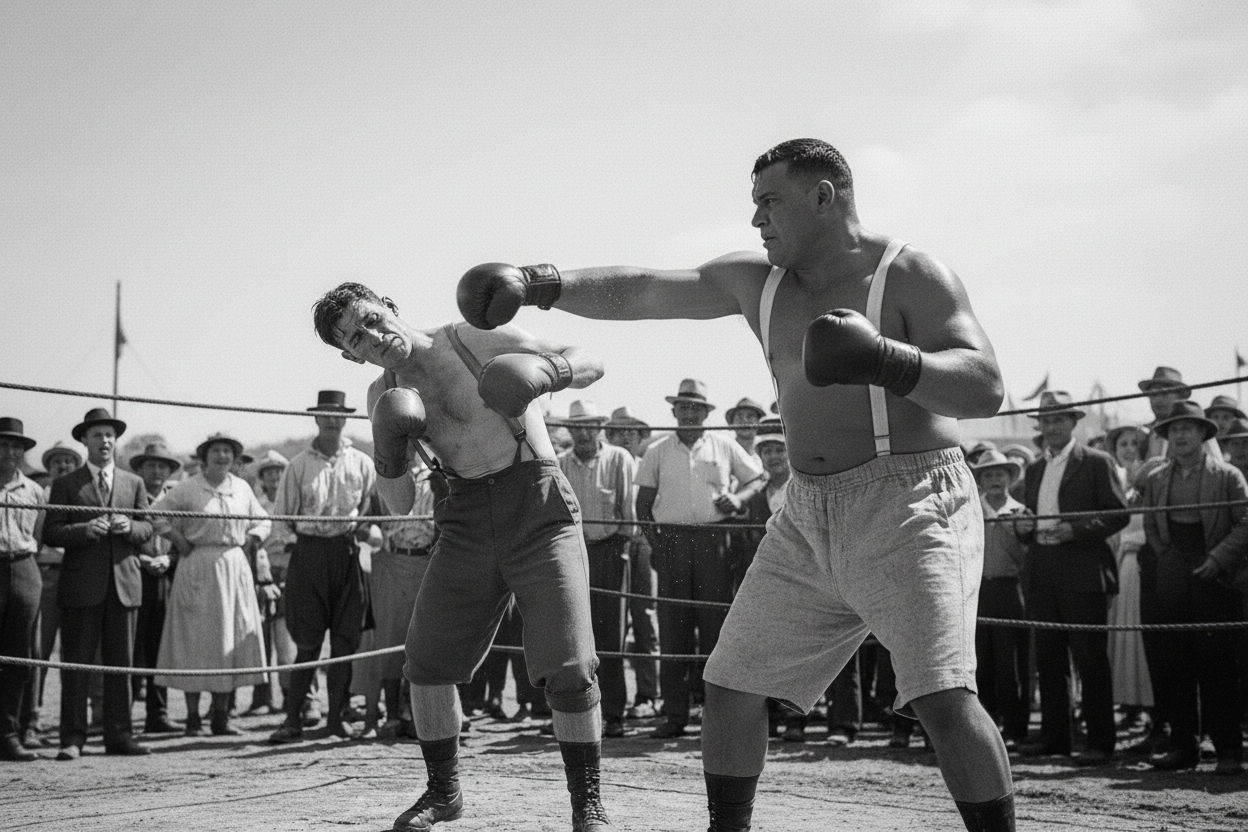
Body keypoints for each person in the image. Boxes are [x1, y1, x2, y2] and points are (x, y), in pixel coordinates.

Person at [458, 137, 1015, 831]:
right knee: (730, 688)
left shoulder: (909, 273)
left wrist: (887, 361)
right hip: (807, 514)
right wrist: (540, 284)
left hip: (910, 501)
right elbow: (648, 290)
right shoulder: (760, 280)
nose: (757, 220)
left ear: (825, 196)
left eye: (770, 202)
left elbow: (986, 387)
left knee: (941, 697)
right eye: (753, 205)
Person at [311, 282, 613, 831]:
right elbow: (400, 502)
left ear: (390, 307)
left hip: (537, 505)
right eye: (357, 338)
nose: (374, 337)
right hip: (464, 518)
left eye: (373, 319)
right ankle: (443, 793)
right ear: (349, 355)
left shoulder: (472, 338)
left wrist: (546, 374)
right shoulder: (385, 392)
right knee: (426, 664)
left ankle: (586, 803)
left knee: (569, 666)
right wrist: (388, 445)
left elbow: (588, 359)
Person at [634, 379, 765, 739]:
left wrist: (738, 500)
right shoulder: (657, 451)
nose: (689, 413)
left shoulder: (724, 446)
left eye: (696, 408)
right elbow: (642, 504)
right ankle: (674, 716)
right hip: (672, 541)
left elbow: (757, 479)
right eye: (684, 407)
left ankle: (716, 717)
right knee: (674, 628)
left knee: (714, 629)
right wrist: (657, 545)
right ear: (674, 411)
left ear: (706, 414)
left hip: (714, 541)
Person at [1014, 391, 1128, 766]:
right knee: (1049, 659)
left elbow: (1117, 514)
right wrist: (1024, 527)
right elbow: (1026, 520)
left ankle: (1100, 741)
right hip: (1043, 568)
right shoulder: (1034, 468)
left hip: (1082, 569)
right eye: (1046, 420)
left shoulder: (1096, 461)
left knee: (1089, 658)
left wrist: (1074, 531)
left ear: (1073, 422)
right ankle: (1054, 738)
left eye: (1059, 419)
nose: (1052, 426)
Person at [1138, 402, 1247, 774]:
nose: (1180, 435)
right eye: (1174, 430)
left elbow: (1245, 524)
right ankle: (1183, 746)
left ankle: (1229, 750)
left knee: (1217, 664)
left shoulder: (1228, 476)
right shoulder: (1156, 478)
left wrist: (1218, 559)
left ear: (1204, 433)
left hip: (1213, 574)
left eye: (1188, 428)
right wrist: (1166, 556)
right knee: (1175, 662)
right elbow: (1151, 525)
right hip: (1172, 572)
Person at [43, 407, 154, 760]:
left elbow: (147, 529)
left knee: (121, 666)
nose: (105, 441)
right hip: (81, 589)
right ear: (84, 441)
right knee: (77, 664)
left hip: (124, 587)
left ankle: (119, 736)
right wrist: (84, 530)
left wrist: (129, 527)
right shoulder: (66, 484)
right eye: (97, 435)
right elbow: (51, 531)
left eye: (110, 435)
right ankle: (72, 738)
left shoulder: (133, 483)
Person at [268, 390, 377, 743]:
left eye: (338, 415)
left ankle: (336, 719)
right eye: (326, 414)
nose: (332, 420)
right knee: (308, 642)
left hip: (346, 552)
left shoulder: (361, 462)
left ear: (345, 419)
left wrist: (364, 527)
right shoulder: (298, 464)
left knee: (346, 642)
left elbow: (372, 506)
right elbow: (281, 517)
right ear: (316, 418)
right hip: (309, 552)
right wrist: (292, 557)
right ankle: (293, 719)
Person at [152, 433, 271, 736]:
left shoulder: (242, 488)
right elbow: (155, 514)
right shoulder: (190, 487)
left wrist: (252, 539)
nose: (222, 457)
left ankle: (221, 715)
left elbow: (264, 520)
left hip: (234, 567)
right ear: (204, 457)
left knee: (228, 640)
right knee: (195, 642)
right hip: (198, 565)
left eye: (228, 452)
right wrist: (177, 539)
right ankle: (192, 717)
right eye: (216, 451)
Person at [558, 400, 637, 739]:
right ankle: (574, 712)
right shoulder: (559, 463)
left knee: (611, 635)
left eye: (590, 425)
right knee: (571, 637)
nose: (584, 432)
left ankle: (615, 713)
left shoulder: (619, 459)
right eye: (578, 426)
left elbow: (628, 515)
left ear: (600, 428)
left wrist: (617, 544)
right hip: (571, 553)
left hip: (609, 551)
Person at [355, 459, 437, 739]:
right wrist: (371, 531)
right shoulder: (381, 478)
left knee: (426, 640)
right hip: (390, 563)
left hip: (428, 561)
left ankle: (420, 716)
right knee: (390, 638)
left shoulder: (437, 474)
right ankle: (391, 715)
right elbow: (361, 523)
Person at [23, 440, 83, 750]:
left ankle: (85, 722)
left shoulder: (82, 495)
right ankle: (31, 720)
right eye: (57, 461)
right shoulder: (39, 494)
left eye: (69, 462)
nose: (63, 466)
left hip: (77, 578)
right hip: (45, 576)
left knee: (81, 653)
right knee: (38, 653)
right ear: (49, 466)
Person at [969, 450, 1029, 751]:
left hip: (1009, 590)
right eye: (988, 474)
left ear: (1009, 478)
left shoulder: (1021, 513)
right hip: (976, 592)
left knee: (1011, 663)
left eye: (999, 474)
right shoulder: (970, 510)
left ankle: (1016, 727)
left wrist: (1009, 531)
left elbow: (1025, 558)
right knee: (981, 660)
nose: (994, 480)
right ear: (979, 480)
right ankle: (984, 729)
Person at [604, 405, 659, 719]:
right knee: (610, 621)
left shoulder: (649, 466)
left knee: (644, 619)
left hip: (642, 545)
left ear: (641, 437)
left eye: (631, 432)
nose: (624, 437)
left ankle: (647, 694)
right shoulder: (607, 465)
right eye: (617, 432)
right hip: (611, 545)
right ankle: (610, 698)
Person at [1103, 425, 1154, 735]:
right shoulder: (1116, 482)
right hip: (1117, 565)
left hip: (1137, 563)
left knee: (1140, 636)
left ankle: (1149, 707)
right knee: (1121, 637)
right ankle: (1129, 703)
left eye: (1135, 443)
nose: (1129, 449)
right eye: (1122, 443)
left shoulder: (1150, 480)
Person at [128, 441, 181, 734]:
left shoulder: (176, 500)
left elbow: (185, 538)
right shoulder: (131, 497)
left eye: (163, 466)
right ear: (140, 469)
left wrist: (168, 558)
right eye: (151, 465)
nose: (157, 471)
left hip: (166, 579)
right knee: (132, 647)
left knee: (160, 647)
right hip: (135, 577)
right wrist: (142, 558)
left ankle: (157, 714)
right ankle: (123, 715)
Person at [0, 418, 45, 762]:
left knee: (19, 655)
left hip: (24, 568)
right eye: (3, 445)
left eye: (16, 446)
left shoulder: (34, 491)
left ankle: (9, 733)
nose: (10, 452)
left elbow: (39, 535)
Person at [246, 449, 292, 715]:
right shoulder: (257, 505)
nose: (274, 476)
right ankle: (261, 698)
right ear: (262, 478)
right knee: (259, 637)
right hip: (261, 572)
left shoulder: (291, 503)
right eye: (269, 472)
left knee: (286, 638)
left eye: (279, 471)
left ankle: (290, 695)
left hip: (287, 569)